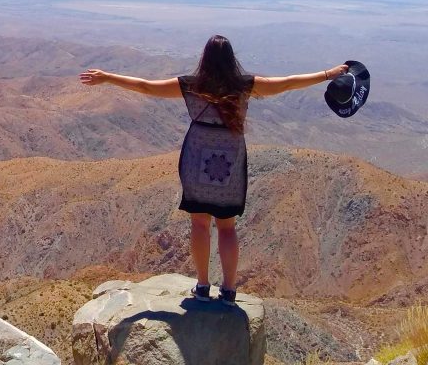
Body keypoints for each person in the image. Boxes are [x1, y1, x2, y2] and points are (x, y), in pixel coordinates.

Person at [78, 34, 348, 305]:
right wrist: (328, 74)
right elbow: (287, 83)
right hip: (230, 161)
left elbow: (146, 87)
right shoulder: (245, 86)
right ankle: (229, 291)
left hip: (196, 157)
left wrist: (108, 77)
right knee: (227, 227)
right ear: (232, 59)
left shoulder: (191, 86)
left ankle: (203, 286)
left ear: (204, 58)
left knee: (199, 222)